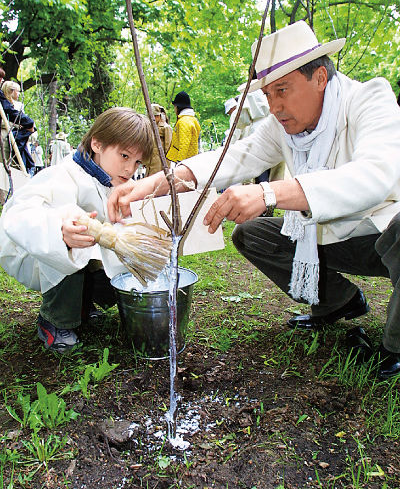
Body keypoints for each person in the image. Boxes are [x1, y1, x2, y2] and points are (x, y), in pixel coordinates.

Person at [108, 21, 400, 380]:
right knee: (253, 235)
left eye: (282, 90)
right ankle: (338, 301)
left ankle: (394, 347)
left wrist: (269, 192)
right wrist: (154, 183)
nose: (274, 106)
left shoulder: (369, 99)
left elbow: (374, 176)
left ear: (320, 77)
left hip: (382, 236)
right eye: (267, 96)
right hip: (328, 236)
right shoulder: (282, 126)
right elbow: (233, 156)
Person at [0, 107, 153, 353]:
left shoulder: (120, 183)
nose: (130, 169)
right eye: (124, 156)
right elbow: (19, 215)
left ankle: (83, 304)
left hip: (90, 260)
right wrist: (58, 230)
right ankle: (55, 319)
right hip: (37, 255)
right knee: (72, 246)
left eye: (137, 162)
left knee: (125, 263)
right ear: (97, 144)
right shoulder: (62, 175)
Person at [0, 70, 36, 173]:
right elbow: (10, 113)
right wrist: (28, 123)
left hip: (13, 137)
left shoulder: (9, 103)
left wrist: (28, 124)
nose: (1, 80)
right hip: (5, 136)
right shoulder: (10, 104)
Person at [166, 91, 201, 164]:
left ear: (178, 107)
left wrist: (180, 162)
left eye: (175, 107)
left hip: (184, 161)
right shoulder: (193, 119)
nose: (174, 109)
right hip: (191, 159)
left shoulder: (184, 122)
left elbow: (184, 143)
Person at [146, 103, 173, 175]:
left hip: (160, 166)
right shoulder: (150, 127)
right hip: (150, 164)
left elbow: (168, 150)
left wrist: (167, 169)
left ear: (158, 116)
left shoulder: (166, 128)